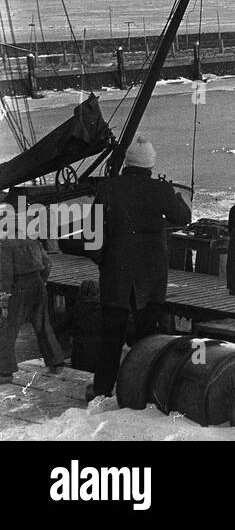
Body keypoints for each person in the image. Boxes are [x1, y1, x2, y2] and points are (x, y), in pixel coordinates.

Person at [89, 136, 192, 400]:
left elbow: (93, 240)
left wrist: (104, 261)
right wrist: (176, 195)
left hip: (116, 274)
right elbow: (183, 218)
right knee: (149, 336)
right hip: (151, 274)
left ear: (127, 162)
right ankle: (144, 392)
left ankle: (101, 391)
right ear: (150, 164)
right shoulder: (160, 190)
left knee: (111, 334)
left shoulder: (108, 189)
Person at [0, 231, 65, 385]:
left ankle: (4, 372)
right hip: (38, 283)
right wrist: (41, 282)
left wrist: (3, 300)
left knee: (8, 327)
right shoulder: (30, 237)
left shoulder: (3, 243)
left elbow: (5, 274)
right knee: (43, 325)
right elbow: (47, 262)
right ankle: (56, 362)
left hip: (18, 286)